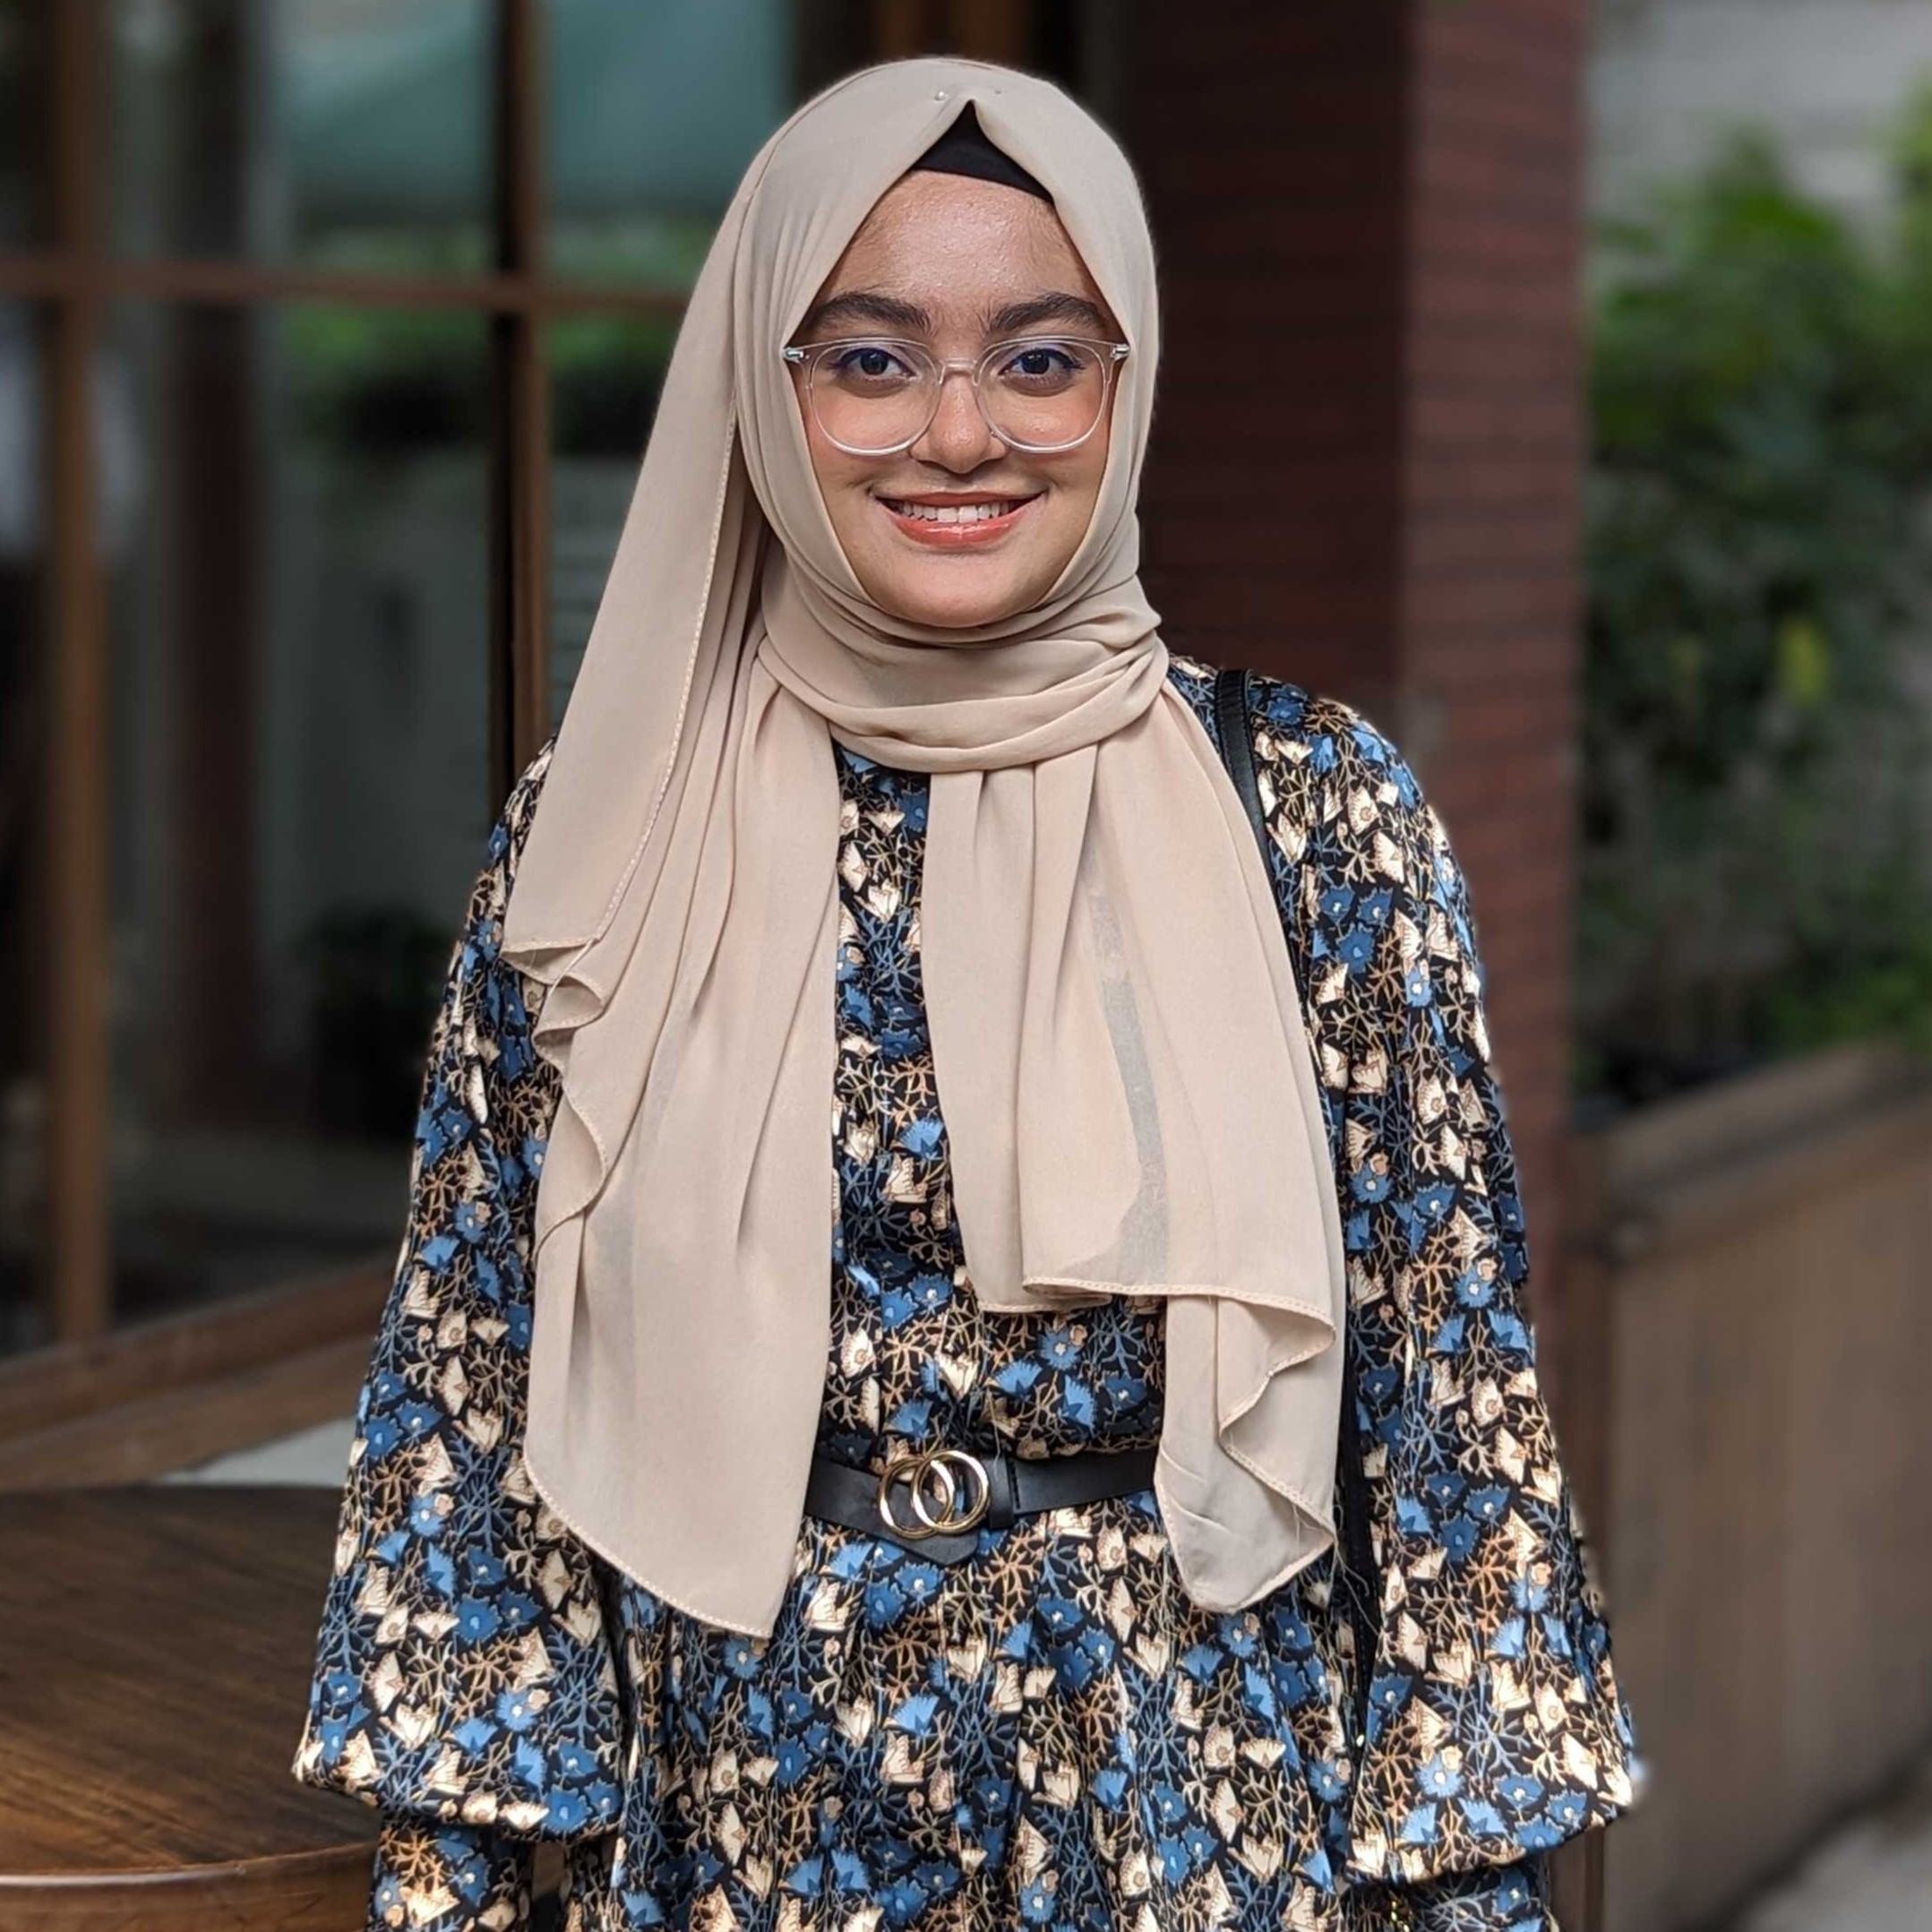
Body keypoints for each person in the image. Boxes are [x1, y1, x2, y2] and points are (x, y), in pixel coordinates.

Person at [293, 56, 1641, 1932]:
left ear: (1126, 379)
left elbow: (1450, 1395)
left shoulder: (1313, 813)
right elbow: (468, 1365)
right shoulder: (610, 820)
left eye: (1036, 356)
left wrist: (1473, 1885)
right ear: (766, 394)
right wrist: (453, 1866)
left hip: (1192, 1808)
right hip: (743, 1815)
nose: (955, 432)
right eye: (865, 357)